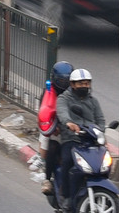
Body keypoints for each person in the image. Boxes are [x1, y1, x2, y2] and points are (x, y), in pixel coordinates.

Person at [50, 68, 107, 204]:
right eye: (81, 83)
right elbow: (62, 112)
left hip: (91, 139)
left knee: (104, 162)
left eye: (87, 83)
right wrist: (69, 123)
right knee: (68, 161)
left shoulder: (93, 101)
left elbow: (100, 119)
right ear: (73, 84)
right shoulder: (64, 98)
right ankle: (66, 195)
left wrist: (101, 130)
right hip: (72, 138)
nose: (84, 86)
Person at [38, 60, 77, 195]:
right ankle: (47, 178)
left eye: (68, 81)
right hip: (56, 127)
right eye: (61, 80)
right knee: (52, 146)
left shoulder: (78, 92)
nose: (65, 84)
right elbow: (44, 113)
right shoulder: (48, 93)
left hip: (74, 128)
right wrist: (54, 127)